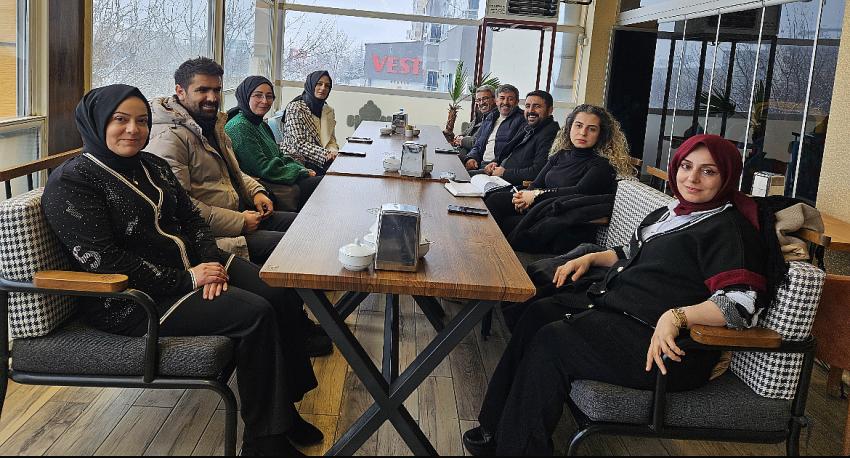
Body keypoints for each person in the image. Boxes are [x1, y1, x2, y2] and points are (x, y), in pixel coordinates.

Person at [42, 85, 323, 456]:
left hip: (192, 265)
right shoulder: (74, 181)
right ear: (95, 123)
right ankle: (264, 441)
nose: (133, 130)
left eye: (141, 121)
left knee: (278, 291)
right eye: (120, 120)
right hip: (132, 299)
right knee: (255, 314)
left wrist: (210, 263)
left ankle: (283, 410)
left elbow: (192, 219)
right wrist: (189, 279)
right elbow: (103, 260)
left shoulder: (151, 165)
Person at [463, 134, 772, 455]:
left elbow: (742, 303)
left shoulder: (728, 230)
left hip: (667, 348)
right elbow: (633, 252)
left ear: (727, 177)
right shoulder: (673, 212)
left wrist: (678, 316)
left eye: (708, 171)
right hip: (621, 314)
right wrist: (592, 258)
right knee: (537, 313)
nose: (692, 178)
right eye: (686, 166)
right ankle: (494, 428)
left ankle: (519, 449)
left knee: (552, 341)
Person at [147, 57, 296, 267]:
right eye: (202, 90)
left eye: (216, 90)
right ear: (180, 91)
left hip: (241, 214)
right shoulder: (168, 138)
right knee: (293, 245)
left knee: (303, 226)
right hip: (212, 236)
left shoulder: (213, 124)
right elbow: (181, 206)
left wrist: (256, 192)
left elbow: (231, 171)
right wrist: (239, 222)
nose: (212, 97)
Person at [485, 104, 632, 236]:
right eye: (578, 126)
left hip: (561, 219)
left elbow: (578, 192)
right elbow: (536, 183)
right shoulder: (560, 155)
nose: (583, 133)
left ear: (601, 134)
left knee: (505, 224)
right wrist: (523, 198)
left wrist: (536, 195)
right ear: (569, 128)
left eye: (592, 129)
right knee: (495, 200)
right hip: (540, 207)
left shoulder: (602, 165)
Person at [225, 75, 322, 211]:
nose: (265, 101)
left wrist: (301, 168)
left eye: (269, 96)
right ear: (245, 96)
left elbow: (279, 154)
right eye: (258, 95)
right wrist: (300, 172)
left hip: (279, 177)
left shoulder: (260, 123)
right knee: (323, 186)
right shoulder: (239, 127)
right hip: (266, 186)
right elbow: (262, 168)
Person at [475, 90, 560, 186]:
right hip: (497, 175)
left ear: (550, 110)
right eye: (527, 106)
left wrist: (504, 173)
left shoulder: (550, 134)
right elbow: (508, 150)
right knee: (463, 177)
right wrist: (495, 162)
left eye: (537, 106)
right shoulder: (529, 127)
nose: (531, 111)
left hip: (513, 185)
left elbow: (538, 171)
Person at [282, 70, 339, 173]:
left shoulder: (328, 110)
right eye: (319, 84)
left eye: (327, 86)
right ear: (311, 84)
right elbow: (298, 144)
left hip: (322, 161)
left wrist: (334, 152)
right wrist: (325, 154)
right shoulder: (295, 107)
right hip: (299, 161)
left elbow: (331, 140)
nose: (323, 88)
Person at [462, 84, 525, 171]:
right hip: (480, 164)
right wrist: (471, 158)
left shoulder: (522, 120)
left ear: (517, 101)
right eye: (502, 98)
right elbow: (478, 145)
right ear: (496, 100)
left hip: (497, 168)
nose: (505, 102)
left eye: (510, 99)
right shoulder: (490, 117)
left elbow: (516, 151)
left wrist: (497, 165)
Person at [452, 86, 497, 157]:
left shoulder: (495, 117)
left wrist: (462, 140)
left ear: (494, 99)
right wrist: (460, 136)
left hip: (473, 156)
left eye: (485, 98)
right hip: (463, 150)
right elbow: (468, 130)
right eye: (478, 100)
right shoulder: (480, 114)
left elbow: (481, 141)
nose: (481, 103)